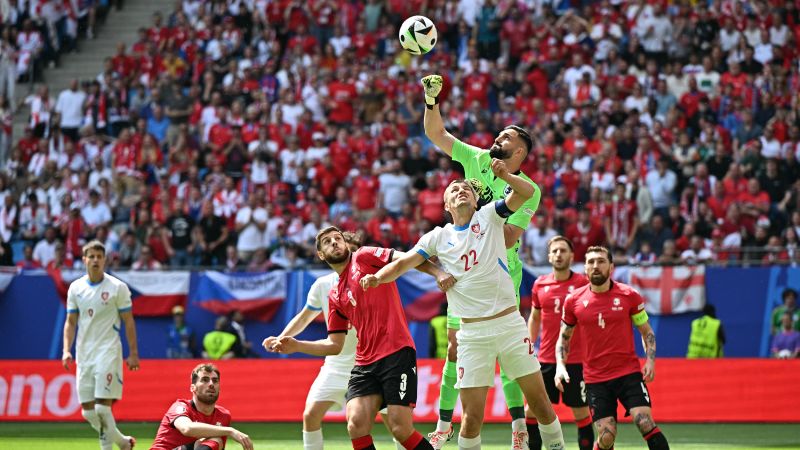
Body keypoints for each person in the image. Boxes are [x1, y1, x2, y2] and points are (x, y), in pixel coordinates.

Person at [360, 165, 566, 450]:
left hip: (509, 325)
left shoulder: (490, 216)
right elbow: (403, 263)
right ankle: (446, 428)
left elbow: (528, 191)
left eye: (466, 188)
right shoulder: (437, 237)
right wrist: (377, 278)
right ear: (446, 205)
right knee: (471, 419)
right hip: (471, 335)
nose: (461, 191)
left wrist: (505, 175)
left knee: (542, 405)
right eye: (454, 190)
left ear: (475, 198)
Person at [422, 74, 541, 448]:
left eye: (507, 137)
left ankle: (518, 425)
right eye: (499, 134)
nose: (498, 139)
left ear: (520, 151)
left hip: (502, 270)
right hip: (463, 265)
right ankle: (444, 425)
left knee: (508, 355)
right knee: (454, 349)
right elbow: (438, 136)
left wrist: (478, 222)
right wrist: (431, 101)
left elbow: (506, 238)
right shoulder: (476, 159)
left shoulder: (525, 192)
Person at [265, 226, 454, 450]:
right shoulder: (334, 294)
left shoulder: (364, 256)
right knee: (356, 425)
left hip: (396, 352)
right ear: (321, 255)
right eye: (327, 242)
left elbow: (409, 258)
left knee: (400, 428)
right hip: (364, 363)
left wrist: (438, 272)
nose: (334, 242)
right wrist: (296, 345)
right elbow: (334, 345)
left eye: (337, 238)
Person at [262, 232, 395, 450]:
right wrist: (281, 337)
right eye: (333, 244)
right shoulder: (323, 286)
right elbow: (305, 316)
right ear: (324, 255)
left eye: (350, 248)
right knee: (311, 415)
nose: (343, 250)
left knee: (395, 423)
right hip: (337, 364)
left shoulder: (372, 280)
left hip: (372, 363)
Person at [557, 246, 670, 450]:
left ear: (611, 267)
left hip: (629, 373)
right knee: (607, 435)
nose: (595, 266)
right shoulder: (573, 301)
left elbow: (647, 332)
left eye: (601, 261)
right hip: (595, 379)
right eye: (591, 262)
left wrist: (650, 361)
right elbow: (564, 338)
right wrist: (560, 365)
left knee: (644, 421)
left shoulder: (629, 295)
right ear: (585, 268)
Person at [61, 240, 138, 450]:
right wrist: (66, 350)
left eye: (99, 256)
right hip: (84, 354)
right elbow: (70, 322)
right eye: (91, 256)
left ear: (105, 260)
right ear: (84, 260)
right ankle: (123, 442)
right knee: (88, 412)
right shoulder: (76, 288)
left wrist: (134, 353)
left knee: (102, 409)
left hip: (108, 351)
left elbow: (128, 321)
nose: (95, 260)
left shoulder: (117, 287)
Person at [528, 236, 594, 450]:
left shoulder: (583, 284)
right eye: (555, 251)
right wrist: (529, 346)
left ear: (572, 256)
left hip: (575, 360)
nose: (558, 254)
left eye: (563, 250)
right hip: (546, 359)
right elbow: (535, 317)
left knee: (581, 412)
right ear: (549, 256)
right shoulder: (540, 284)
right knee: (532, 410)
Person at [150, 363, 254, 450]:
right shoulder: (180, 406)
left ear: (219, 388)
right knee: (215, 440)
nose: (211, 384)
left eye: (215, 380)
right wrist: (230, 431)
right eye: (205, 380)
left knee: (214, 442)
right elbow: (187, 428)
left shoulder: (224, 416)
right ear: (193, 388)